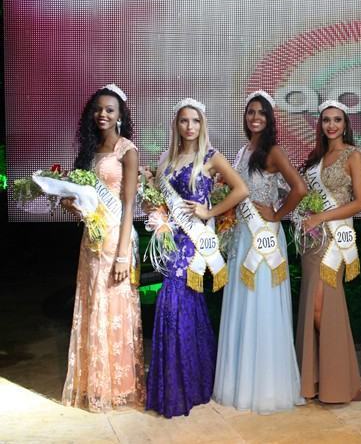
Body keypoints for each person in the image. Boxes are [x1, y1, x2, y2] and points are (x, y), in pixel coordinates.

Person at [146, 98, 248, 417]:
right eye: (184, 121)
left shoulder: (212, 157)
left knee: (174, 301)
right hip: (173, 239)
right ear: (176, 125)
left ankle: (184, 385)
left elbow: (240, 190)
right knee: (186, 303)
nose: (190, 126)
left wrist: (210, 211)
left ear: (202, 125)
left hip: (195, 241)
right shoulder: (166, 159)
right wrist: (157, 213)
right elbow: (159, 199)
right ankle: (191, 381)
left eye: (195, 121)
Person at [213, 91, 307, 412]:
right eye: (251, 112)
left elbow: (300, 188)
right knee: (243, 302)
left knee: (262, 304)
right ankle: (241, 381)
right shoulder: (243, 150)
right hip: (242, 235)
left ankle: (266, 388)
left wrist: (278, 215)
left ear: (269, 119)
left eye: (261, 113)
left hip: (263, 237)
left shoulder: (273, 152)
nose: (255, 117)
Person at [61, 84, 144, 411]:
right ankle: (94, 383)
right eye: (98, 109)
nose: (103, 114)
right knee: (94, 307)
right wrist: (71, 205)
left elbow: (128, 206)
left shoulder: (127, 150)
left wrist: (124, 253)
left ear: (120, 114)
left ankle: (118, 386)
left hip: (115, 240)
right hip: (91, 241)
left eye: (110, 109)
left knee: (115, 309)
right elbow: (87, 201)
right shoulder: (89, 152)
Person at [296, 100, 361, 404]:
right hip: (313, 242)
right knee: (311, 307)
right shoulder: (316, 158)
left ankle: (338, 380)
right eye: (326, 120)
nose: (331, 125)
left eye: (337, 119)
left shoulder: (353, 155)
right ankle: (314, 379)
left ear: (345, 123)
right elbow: (306, 196)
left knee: (324, 308)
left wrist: (322, 216)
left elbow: (360, 202)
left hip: (335, 239)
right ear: (321, 125)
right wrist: (304, 215)